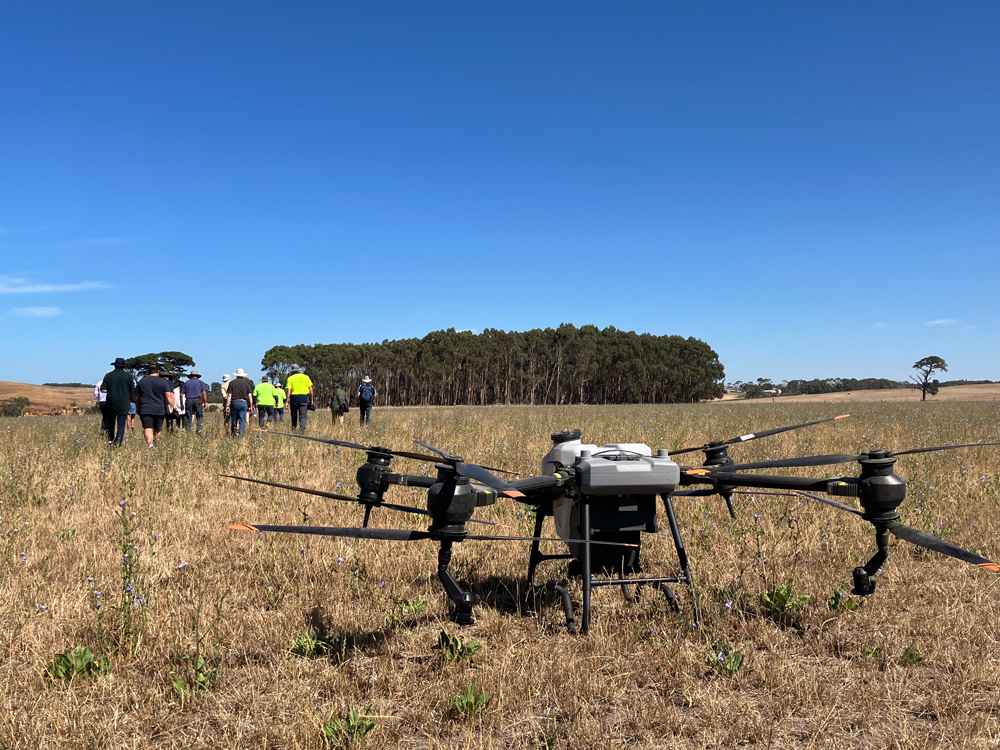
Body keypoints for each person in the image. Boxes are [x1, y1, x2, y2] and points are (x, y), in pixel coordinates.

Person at [136, 365, 175, 448]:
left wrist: (138, 408)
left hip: (145, 408)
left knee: (148, 427)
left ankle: (150, 445)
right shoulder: (163, 381)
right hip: (159, 409)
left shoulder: (142, 381)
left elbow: (137, 397)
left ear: (148, 372)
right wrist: (173, 407)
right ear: (157, 372)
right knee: (158, 429)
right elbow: (168, 396)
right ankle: (157, 445)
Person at [100, 357, 135, 447]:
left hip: (111, 403)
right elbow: (132, 391)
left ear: (114, 366)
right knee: (121, 424)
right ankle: (118, 441)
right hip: (124, 403)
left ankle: (110, 440)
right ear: (123, 366)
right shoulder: (128, 376)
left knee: (110, 423)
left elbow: (103, 389)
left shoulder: (108, 375)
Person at [226, 368, 255, 437]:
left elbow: (229, 395)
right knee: (242, 420)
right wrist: (251, 406)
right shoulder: (247, 383)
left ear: (236, 375)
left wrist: (227, 406)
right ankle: (241, 436)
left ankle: (233, 435)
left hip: (234, 402)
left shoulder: (232, 383)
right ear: (243, 375)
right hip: (244, 403)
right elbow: (250, 395)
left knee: (234, 419)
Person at [285, 366, 314, 432]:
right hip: (304, 398)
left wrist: (287, 401)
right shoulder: (306, 377)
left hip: (294, 398)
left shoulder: (290, 378)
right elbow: (311, 390)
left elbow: (289, 391)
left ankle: (294, 430)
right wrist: (311, 400)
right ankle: (302, 431)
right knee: (303, 416)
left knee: (294, 415)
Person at [94, 378, 113, 443]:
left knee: (104, 417)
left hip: (102, 402)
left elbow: (96, 393)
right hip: (109, 401)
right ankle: (108, 432)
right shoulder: (110, 382)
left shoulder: (99, 383)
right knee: (109, 417)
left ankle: (103, 431)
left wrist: (98, 400)